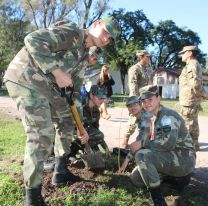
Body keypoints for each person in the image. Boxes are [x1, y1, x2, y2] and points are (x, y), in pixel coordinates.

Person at [3, 16, 120, 206]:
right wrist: (58, 72)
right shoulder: (73, 33)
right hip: (26, 79)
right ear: (96, 24)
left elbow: (74, 93)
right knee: (42, 135)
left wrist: (80, 128)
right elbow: (32, 39)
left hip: (47, 88)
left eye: (111, 38)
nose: (107, 38)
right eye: (106, 32)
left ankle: (60, 171)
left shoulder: (84, 56)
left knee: (67, 120)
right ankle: (32, 198)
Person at [120, 85, 196, 206]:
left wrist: (142, 144)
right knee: (136, 178)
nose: (146, 103)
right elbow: (141, 140)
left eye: (150, 99)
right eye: (143, 101)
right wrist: (129, 157)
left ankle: (159, 201)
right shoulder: (152, 117)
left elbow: (168, 144)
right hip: (168, 157)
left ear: (158, 98)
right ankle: (171, 179)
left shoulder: (167, 116)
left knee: (142, 156)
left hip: (183, 159)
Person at [179, 45, 208, 151]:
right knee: (193, 123)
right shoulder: (194, 64)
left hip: (189, 100)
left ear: (190, 53)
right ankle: (194, 145)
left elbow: (195, 84)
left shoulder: (192, 65)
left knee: (187, 124)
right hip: (191, 100)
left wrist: (203, 94)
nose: (181, 55)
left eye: (183, 52)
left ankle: (188, 147)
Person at [121, 50, 152, 148]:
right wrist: (136, 101)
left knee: (147, 120)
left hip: (145, 100)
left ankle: (144, 142)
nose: (149, 58)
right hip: (137, 100)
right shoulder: (134, 68)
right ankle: (124, 141)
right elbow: (133, 84)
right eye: (147, 56)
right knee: (133, 121)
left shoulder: (147, 69)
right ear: (141, 57)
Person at [69, 85, 110, 159]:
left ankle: (86, 150)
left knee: (98, 137)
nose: (102, 101)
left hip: (84, 134)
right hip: (71, 131)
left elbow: (95, 130)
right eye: (99, 98)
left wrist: (105, 147)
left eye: (103, 98)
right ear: (91, 95)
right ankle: (71, 152)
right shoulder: (80, 105)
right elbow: (69, 122)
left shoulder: (96, 111)